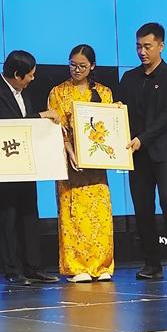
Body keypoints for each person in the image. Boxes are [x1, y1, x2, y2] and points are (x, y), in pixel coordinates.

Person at [0, 50, 61, 286]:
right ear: (17, 74)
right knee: (7, 218)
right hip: (3, 168)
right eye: (30, 75)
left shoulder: (23, 91)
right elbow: (8, 126)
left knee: (29, 215)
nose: (32, 79)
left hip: (26, 164)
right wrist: (41, 116)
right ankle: (13, 270)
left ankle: (33, 267)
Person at [118, 22, 167, 280]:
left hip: (164, 153)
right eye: (138, 46)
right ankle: (151, 264)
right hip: (137, 155)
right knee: (142, 208)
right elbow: (118, 112)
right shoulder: (129, 78)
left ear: (161, 46)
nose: (142, 52)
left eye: (147, 46)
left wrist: (142, 139)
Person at [48, 44, 115, 283]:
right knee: (73, 214)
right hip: (71, 161)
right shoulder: (58, 92)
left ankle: (101, 265)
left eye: (82, 66)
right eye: (73, 65)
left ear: (92, 66)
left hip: (96, 163)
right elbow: (57, 129)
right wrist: (70, 152)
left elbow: (111, 127)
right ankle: (77, 267)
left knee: (99, 215)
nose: (77, 70)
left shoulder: (104, 93)